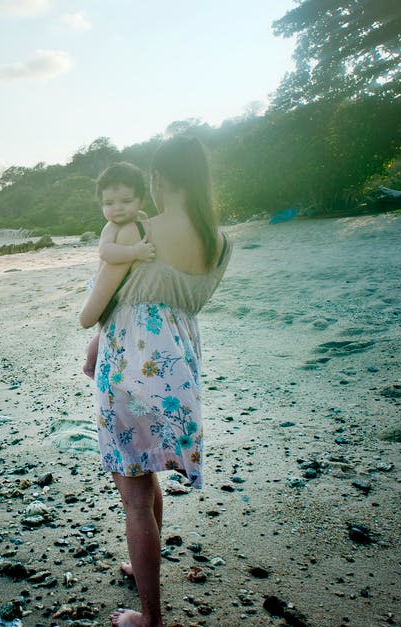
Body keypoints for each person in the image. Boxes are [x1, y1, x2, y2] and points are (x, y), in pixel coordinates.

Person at [79, 135, 232, 627]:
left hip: (128, 369)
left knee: (135, 494)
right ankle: (142, 568)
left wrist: (95, 333)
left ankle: (150, 618)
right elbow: (167, 304)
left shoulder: (136, 230)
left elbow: (92, 313)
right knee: (151, 471)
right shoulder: (222, 242)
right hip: (179, 371)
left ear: (159, 179)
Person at [81, 162, 157, 380]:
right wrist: (134, 251)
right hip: (102, 286)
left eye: (126, 201)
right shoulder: (111, 227)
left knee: (113, 331)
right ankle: (90, 362)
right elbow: (106, 252)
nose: (117, 208)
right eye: (108, 203)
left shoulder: (141, 219)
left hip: (122, 286)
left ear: (141, 200)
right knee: (103, 329)